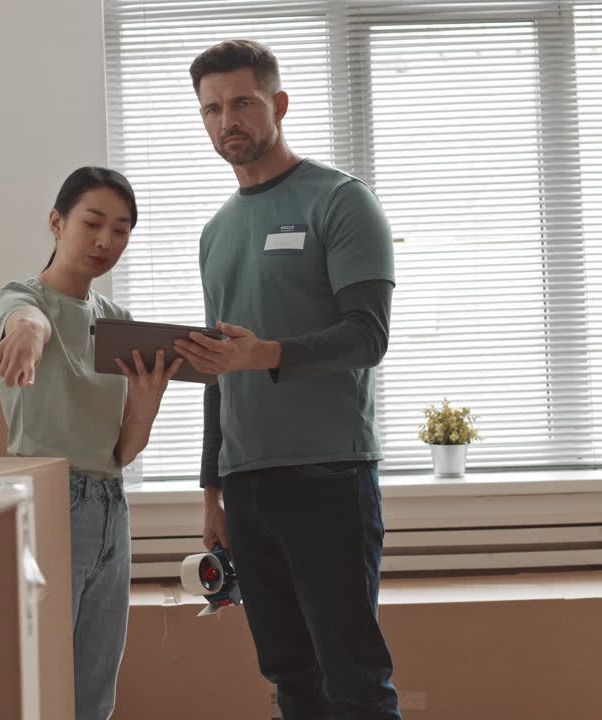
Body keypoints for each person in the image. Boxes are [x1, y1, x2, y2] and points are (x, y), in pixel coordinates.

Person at [171, 40, 402, 720]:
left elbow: (368, 337)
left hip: (329, 475)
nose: (226, 121)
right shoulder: (216, 232)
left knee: (354, 679)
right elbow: (218, 371)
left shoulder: (342, 201)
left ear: (278, 104)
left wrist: (266, 353)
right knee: (289, 679)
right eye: (211, 109)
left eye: (241, 102)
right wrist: (213, 492)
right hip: (247, 486)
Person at [0, 166, 181, 720]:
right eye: (93, 223)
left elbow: (121, 451)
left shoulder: (118, 322)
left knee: (95, 690)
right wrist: (27, 331)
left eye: (121, 230)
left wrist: (146, 404)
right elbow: (25, 318)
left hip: (110, 505)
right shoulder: (22, 298)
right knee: (44, 684)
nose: (106, 241)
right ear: (57, 222)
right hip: (50, 502)